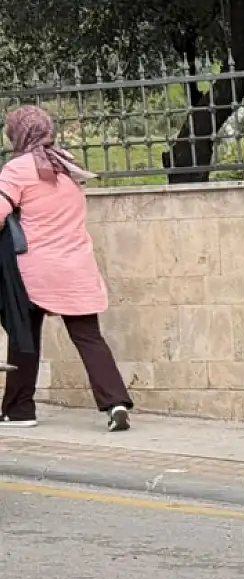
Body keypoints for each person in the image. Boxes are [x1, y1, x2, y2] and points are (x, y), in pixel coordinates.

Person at [0, 105, 132, 431]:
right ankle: (115, 402)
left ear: (18, 133)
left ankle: (19, 410)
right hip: (77, 266)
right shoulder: (67, 165)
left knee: (24, 336)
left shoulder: (17, 170)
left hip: (35, 269)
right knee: (89, 337)